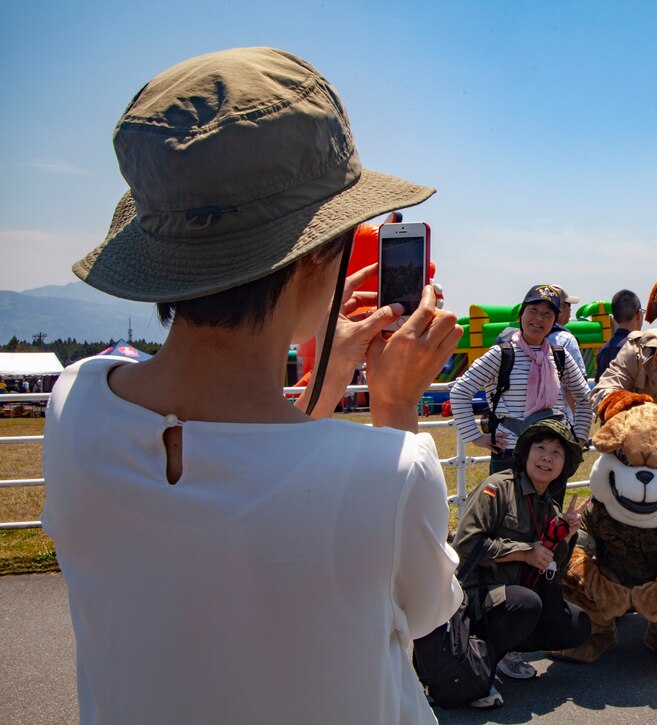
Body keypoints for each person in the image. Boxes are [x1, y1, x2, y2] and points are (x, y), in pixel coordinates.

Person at [41, 47, 463, 724]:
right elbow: (426, 611)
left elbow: (234, 475)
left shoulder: (75, 407)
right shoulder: (390, 472)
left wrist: (320, 382)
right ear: (320, 254)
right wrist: (395, 405)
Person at [451, 419, 592, 709]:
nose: (546, 458)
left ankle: (504, 652)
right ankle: (475, 672)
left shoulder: (549, 506)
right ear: (526, 453)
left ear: (564, 465)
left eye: (556, 453)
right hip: (475, 592)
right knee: (527, 605)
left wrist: (565, 535)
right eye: (540, 448)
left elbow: (553, 573)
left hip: (513, 597)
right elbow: (465, 546)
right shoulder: (498, 488)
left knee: (576, 625)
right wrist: (525, 552)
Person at [450, 285, 592, 474]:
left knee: (550, 505)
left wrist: (579, 436)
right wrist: (476, 437)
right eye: (533, 310)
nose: (539, 318)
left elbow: (584, 398)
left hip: (552, 455)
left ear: (554, 321)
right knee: (508, 504)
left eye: (547, 314)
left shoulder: (560, 356)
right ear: (521, 314)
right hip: (510, 453)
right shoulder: (501, 355)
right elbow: (460, 391)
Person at [594, 289, 643, 383]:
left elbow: (599, 385)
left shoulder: (604, 350)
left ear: (614, 319)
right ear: (638, 315)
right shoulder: (641, 348)